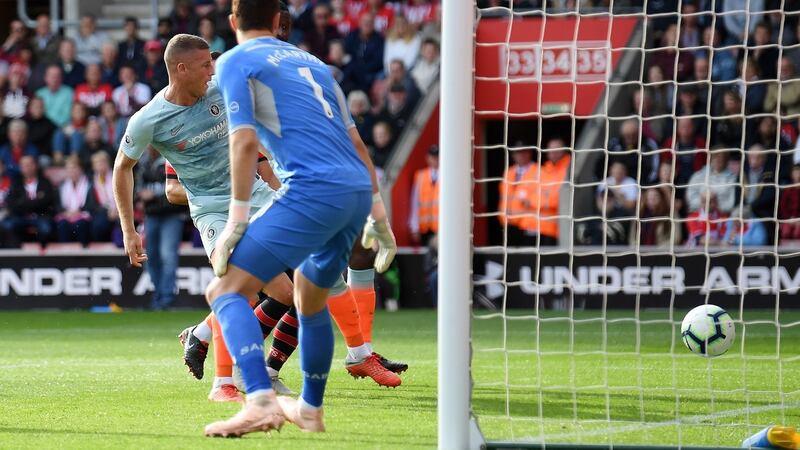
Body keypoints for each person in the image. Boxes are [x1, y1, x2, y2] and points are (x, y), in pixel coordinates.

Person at [205, 0, 395, 435]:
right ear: (277, 22)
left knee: (224, 290)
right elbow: (356, 142)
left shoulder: (236, 60)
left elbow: (243, 141)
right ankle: (309, 409)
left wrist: (236, 219)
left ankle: (258, 401)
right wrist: (378, 212)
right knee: (310, 299)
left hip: (311, 188)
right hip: (352, 189)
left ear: (233, 22)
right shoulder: (316, 64)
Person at [136, 147, 187, 309]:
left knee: (168, 255)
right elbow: (138, 187)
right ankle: (158, 294)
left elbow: (179, 185)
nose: (150, 146)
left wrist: (153, 194)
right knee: (151, 256)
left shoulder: (171, 158)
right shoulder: (143, 162)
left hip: (172, 213)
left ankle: (167, 297)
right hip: (151, 215)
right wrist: (139, 196)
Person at [1, 155, 55, 248]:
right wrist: (35, 201)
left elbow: (47, 202)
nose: (27, 167)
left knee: (46, 228)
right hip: (20, 217)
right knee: (7, 225)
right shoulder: (16, 183)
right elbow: (12, 204)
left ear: (35, 165)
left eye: (29, 164)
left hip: (40, 217)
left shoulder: (45, 182)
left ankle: (42, 253)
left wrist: (24, 203)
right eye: (24, 165)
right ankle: (16, 251)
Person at [409, 144, 439, 246]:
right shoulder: (420, 176)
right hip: (424, 229)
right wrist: (414, 227)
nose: (435, 159)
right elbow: (415, 203)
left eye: (437, 156)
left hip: (441, 227)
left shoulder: (448, 175)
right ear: (428, 158)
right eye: (433, 156)